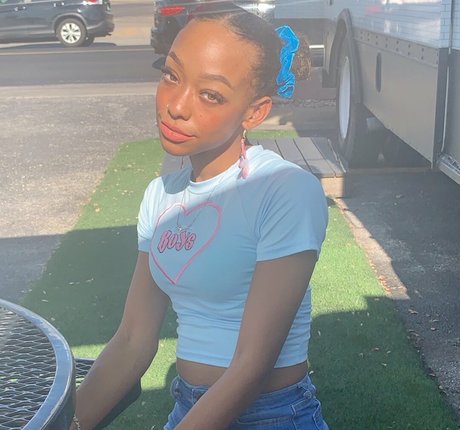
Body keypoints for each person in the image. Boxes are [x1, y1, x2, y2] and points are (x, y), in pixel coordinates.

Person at [71, 2, 329, 429]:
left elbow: (251, 366)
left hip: (274, 415)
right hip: (188, 409)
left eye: (210, 94)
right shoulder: (160, 196)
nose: (176, 105)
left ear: (255, 112)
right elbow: (133, 340)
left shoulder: (283, 189)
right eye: (171, 75)